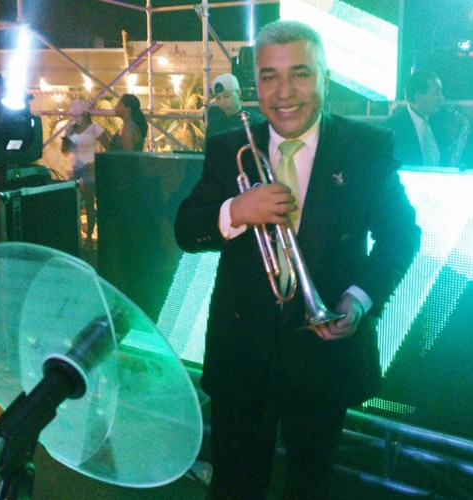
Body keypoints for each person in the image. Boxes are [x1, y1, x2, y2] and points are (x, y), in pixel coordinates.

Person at [175, 20, 421, 499]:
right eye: (269, 76)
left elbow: (401, 235)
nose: (284, 92)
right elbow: (187, 229)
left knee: (310, 484)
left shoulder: (366, 147)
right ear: (256, 84)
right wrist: (235, 211)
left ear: (325, 79)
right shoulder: (228, 147)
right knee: (233, 486)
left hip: (323, 360)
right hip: (242, 356)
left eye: (300, 73)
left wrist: (359, 299)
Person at [382, 68, 464, 167]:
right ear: (418, 97)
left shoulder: (440, 121)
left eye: (441, 92)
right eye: (435, 93)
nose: (442, 98)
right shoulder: (391, 129)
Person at [61, 99, 109, 249]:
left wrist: (96, 164)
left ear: (85, 114)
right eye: (74, 115)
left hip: (89, 168)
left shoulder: (95, 129)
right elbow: (64, 150)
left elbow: (109, 149)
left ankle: (88, 237)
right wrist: (67, 137)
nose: (75, 118)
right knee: (70, 203)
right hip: (72, 168)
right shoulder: (71, 129)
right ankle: (72, 235)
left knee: (89, 203)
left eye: (77, 115)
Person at [204, 72, 262, 149]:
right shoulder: (213, 126)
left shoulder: (256, 121)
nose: (222, 102)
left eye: (227, 96)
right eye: (218, 98)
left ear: (238, 93)